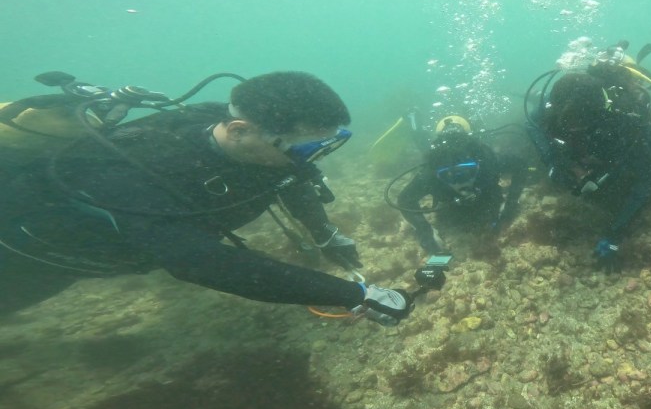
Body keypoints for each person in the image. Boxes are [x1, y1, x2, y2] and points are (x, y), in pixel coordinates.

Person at [0, 71, 410, 324]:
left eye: (329, 145)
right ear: (239, 131)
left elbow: (292, 180)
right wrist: (356, 295)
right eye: (306, 149)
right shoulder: (141, 170)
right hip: (27, 255)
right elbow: (202, 262)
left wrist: (324, 233)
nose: (313, 161)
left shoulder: (261, 149)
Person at [527, 43, 651, 272]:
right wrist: (554, 161)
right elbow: (532, 125)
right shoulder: (557, 103)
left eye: (580, 123)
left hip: (615, 144)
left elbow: (644, 183)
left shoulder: (629, 122)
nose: (573, 130)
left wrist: (615, 235)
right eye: (567, 123)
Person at [394, 115, 528, 254]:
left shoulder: (487, 162)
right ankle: (414, 119)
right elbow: (405, 200)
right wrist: (425, 230)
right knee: (423, 146)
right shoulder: (431, 175)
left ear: (477, 166)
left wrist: (510, 204)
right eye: (449, 175)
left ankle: (471, 120)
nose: (460, 182)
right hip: (452, 206)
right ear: (439, 175)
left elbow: (520, 165)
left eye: (466, 172)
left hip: (485, 195)